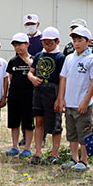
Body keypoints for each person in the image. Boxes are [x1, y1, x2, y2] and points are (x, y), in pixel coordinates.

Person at [58, 26, 93, 171]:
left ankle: (84, 160)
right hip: (70, 102)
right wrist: (62, 99)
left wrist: (86, 101)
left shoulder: (92, 59)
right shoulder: (69, 58)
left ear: (88, 41)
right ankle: (74, 158)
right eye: (74, 40)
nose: (76, 43)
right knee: (72, 132)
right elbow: (63, 78)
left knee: (84, 132)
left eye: (80, 40)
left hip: (83, 103)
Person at [27, 27, 65, 165]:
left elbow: (62, 79)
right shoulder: (38, 55)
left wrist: (60, 98)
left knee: (55, 123)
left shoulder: (60, 57)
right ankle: (38, 152)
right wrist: (32, 78)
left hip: (53, 90)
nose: (47, 46)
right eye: (45, 43)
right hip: (39, 90)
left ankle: (55, 152)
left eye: (50, 43)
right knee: (39, 121)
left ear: (57, 42)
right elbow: (30, 72)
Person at [5, 33, 34, 157]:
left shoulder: (34, 60)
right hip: (14, 95)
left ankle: (27, 148)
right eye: (15, 45)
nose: (18, 48)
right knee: (14, 122)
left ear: (27, 44)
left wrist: (29, 63)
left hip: (29, 96)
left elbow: (35, 74)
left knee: (28, 123)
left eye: (20, 44)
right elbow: (10, 78)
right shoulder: (12, 61)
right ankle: (15, 146)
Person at [22, 13, 45, 147]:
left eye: (32, 24)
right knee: (25, 108)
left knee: (39, 110)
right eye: (28, 24)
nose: (30, 27)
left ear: (38, 24)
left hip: (38, 78)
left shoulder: (43, 39)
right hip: (25, 78)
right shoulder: (22, 39)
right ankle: (25, 134)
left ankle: (41, 137)